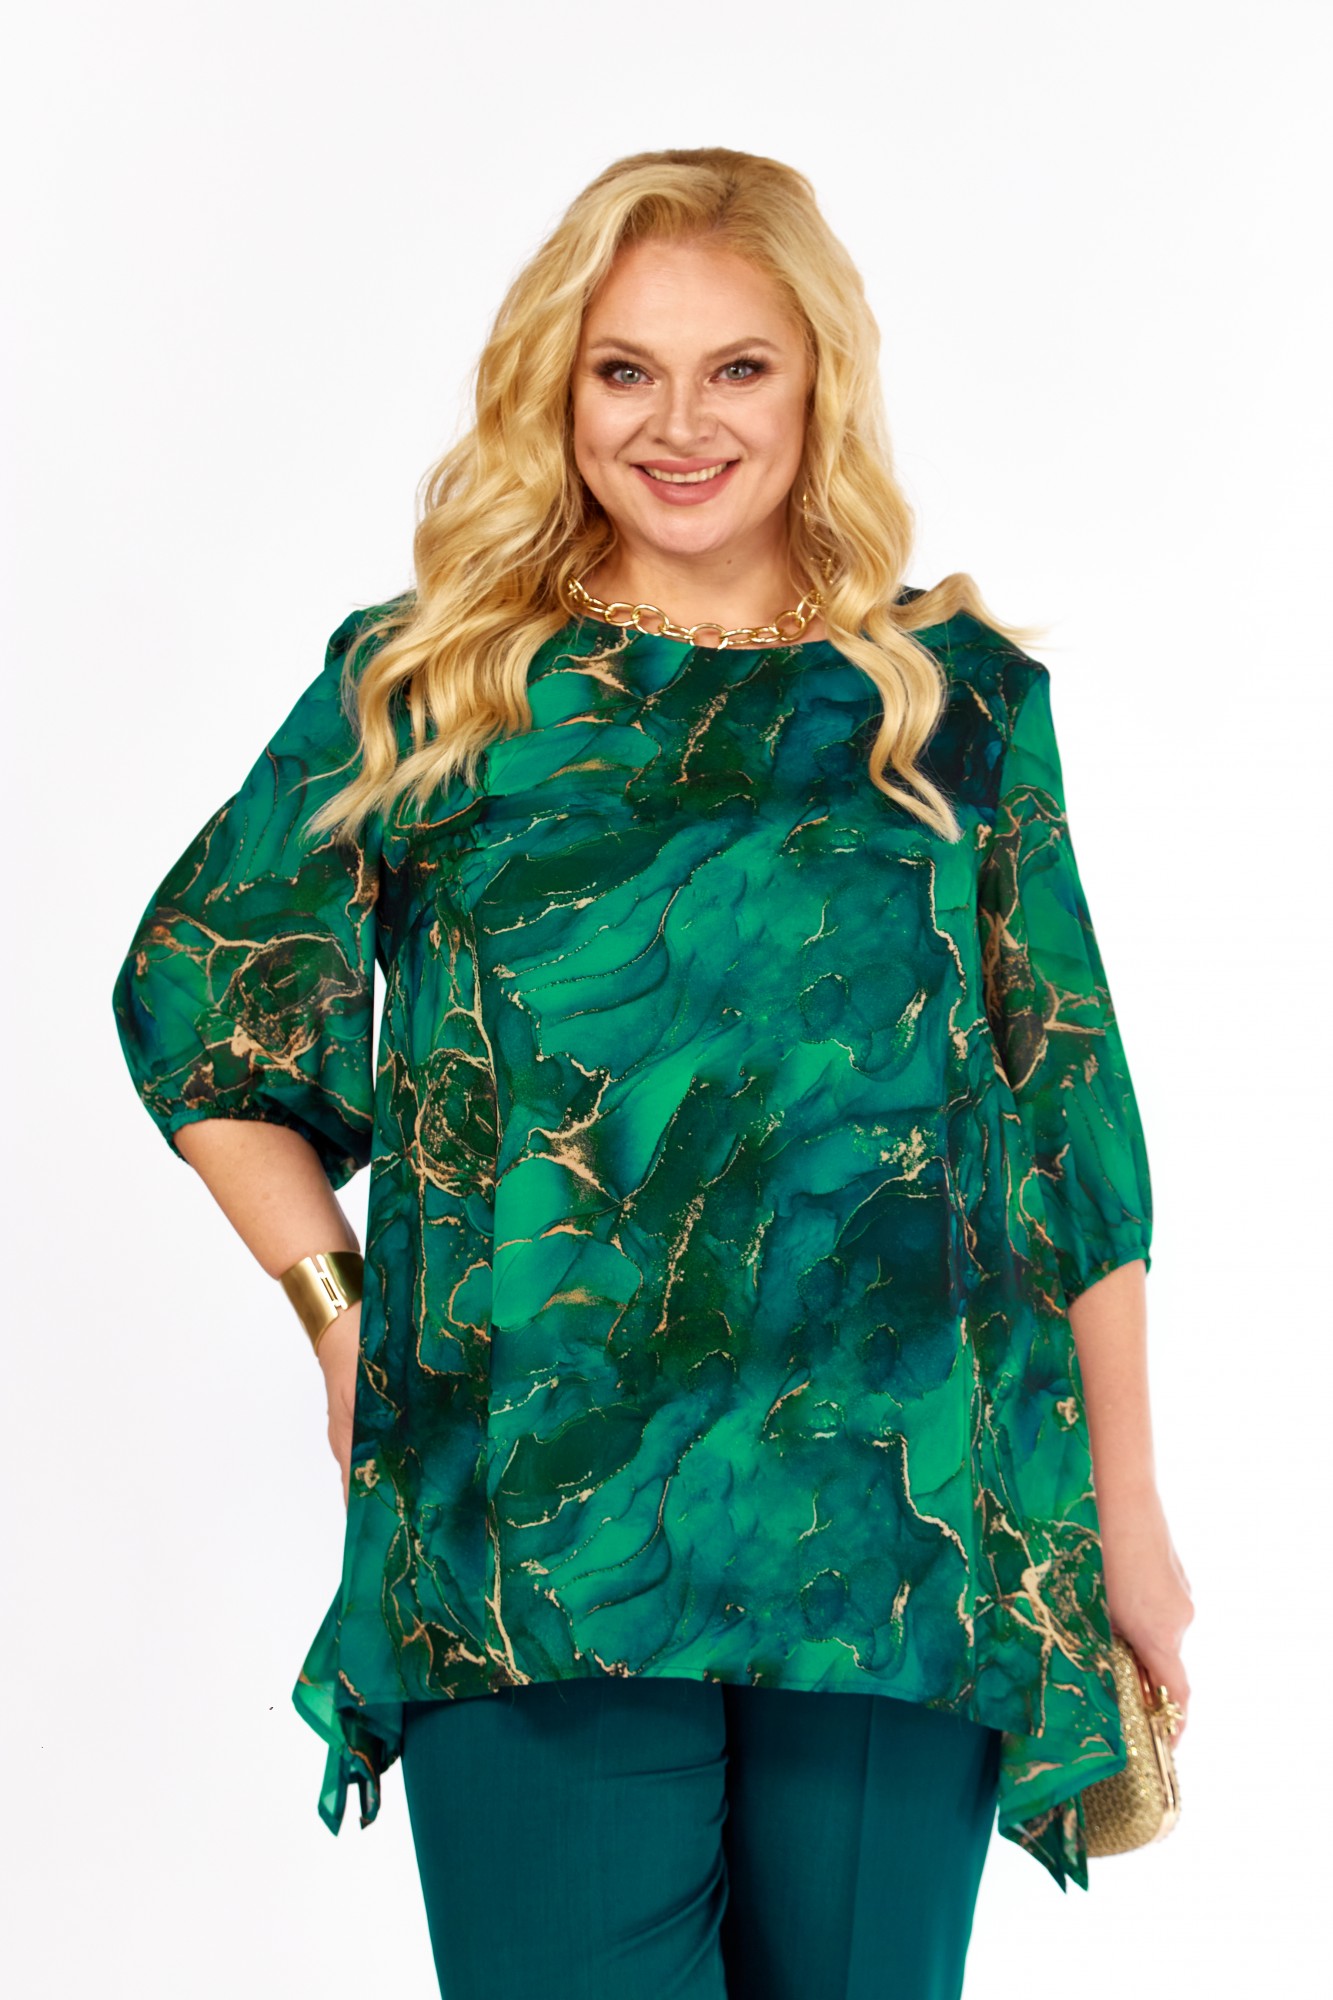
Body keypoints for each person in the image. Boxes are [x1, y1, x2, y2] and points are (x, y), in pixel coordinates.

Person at [111, 147, 1194, 2000]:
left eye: (735, 368)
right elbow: (199, 1000)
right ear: (559, 385)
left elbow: (1065, 1112)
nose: (678, 425)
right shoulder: (437, 687)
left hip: (902, 1521)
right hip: (533, 1518)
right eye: (625, 369)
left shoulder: (951, 702)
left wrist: (1131, 1518)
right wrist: (337, 1318)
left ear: (818, 382)